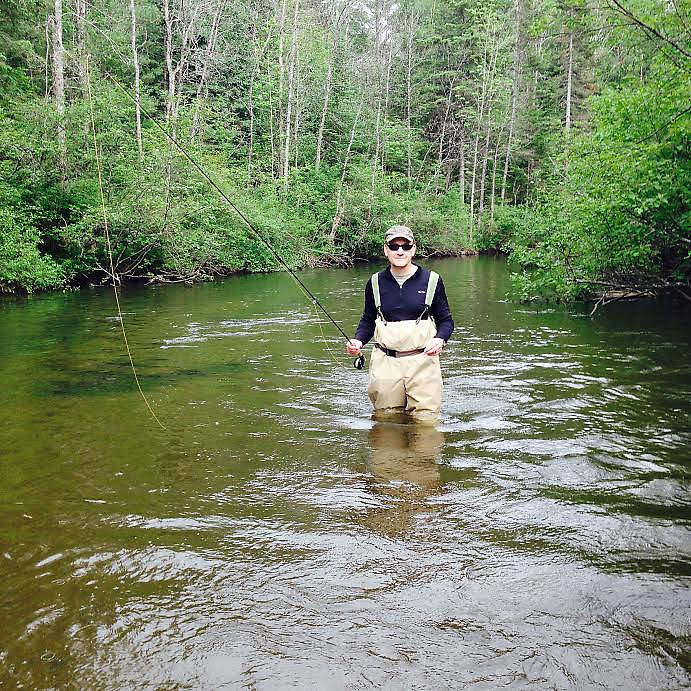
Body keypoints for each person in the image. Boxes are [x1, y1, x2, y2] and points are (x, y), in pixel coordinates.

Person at [346, 225, 454, 420]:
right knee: (386, 422)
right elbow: (368, 320)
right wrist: (358, 341)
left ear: (413, 249)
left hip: (423, 362)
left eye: (405, 246)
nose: (400, 251)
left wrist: (440, 339)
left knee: (426, 423)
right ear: (386, 249)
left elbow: (446, 321)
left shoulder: (432, 281)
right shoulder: (374, 283)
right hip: (385, 363)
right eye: (394, 246)